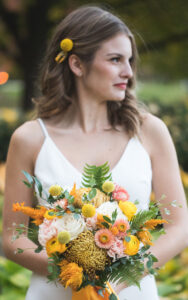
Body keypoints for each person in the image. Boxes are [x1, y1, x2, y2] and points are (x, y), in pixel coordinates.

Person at [2, 5, 188, 300]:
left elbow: (179, 226)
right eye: (115, 59)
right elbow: (12, 237)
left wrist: (115, 281)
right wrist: (74, 274)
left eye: (129, 60)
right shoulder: (29, 139)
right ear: (77, 65)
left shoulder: (149, 131)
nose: (128, 71)